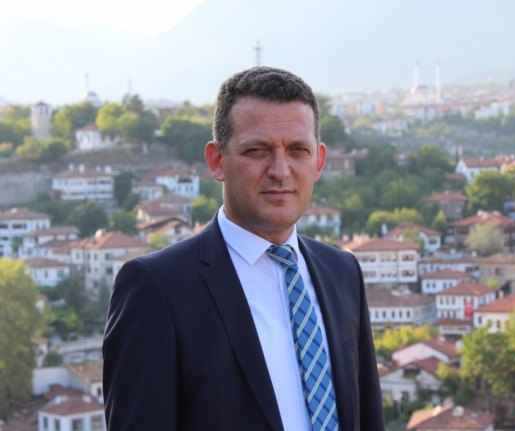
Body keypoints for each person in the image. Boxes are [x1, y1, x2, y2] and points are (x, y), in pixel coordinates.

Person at [103, 67, 384, 431]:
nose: (280, 170)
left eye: (298, 150)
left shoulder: (342, 271)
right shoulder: (158, 288)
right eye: (257, 151)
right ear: (217, 160)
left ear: (318, 161)